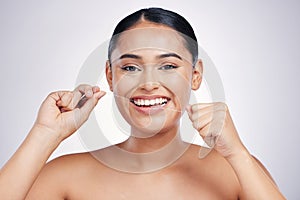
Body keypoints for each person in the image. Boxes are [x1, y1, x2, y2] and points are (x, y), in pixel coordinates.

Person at [0, 7, 285, 199]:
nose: (148, 83)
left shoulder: (236, 170)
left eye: (168, 66)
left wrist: (237, 155)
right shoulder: (63, 177)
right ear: (110, 77)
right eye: (130, 68)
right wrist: (44, 135)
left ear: (195, 75)